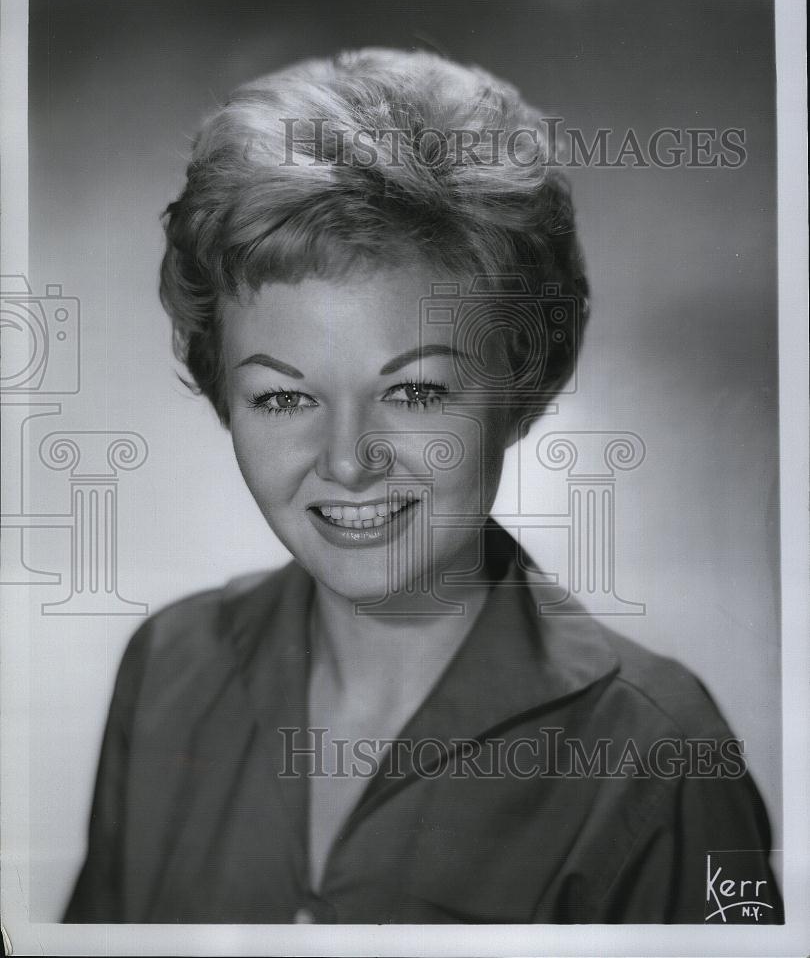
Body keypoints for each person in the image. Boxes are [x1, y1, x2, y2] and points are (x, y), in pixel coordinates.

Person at [64, 48, 782, 924]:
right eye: (283, 395)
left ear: (521, 384)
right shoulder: (168, 669)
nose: (347, 460)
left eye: (414, 392)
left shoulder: (660, 758)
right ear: (224, 393)